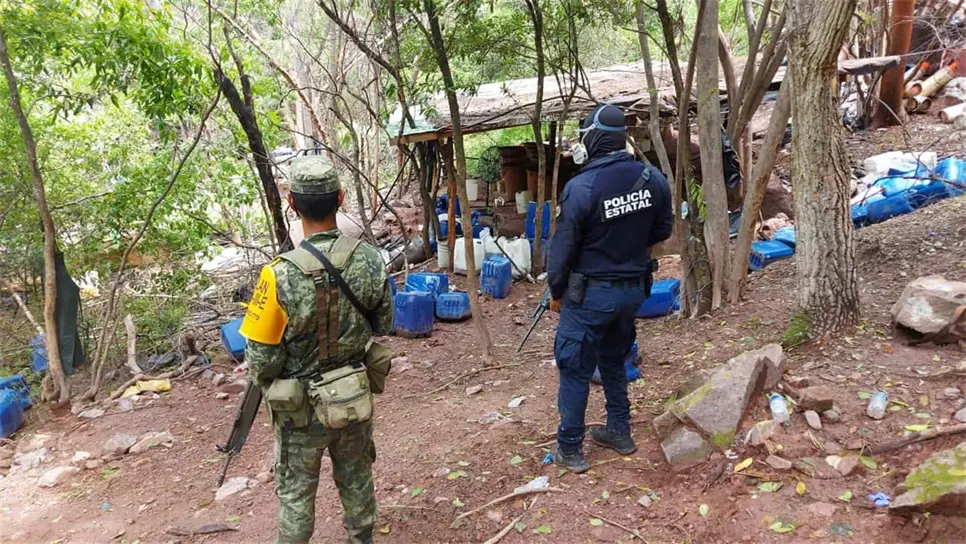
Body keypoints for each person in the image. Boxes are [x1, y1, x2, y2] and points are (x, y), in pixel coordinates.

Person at [239, 155, 393, 544]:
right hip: (353, 397)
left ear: (292, 204)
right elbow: (384, 324)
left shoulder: (277, 274)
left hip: (300, 412)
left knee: (295, 494)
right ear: (340, 198)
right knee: (357, 476)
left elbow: (261, 362)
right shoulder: (371, 260)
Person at [547, 104, 673, 473]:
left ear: (596, 137)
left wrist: (557, 292)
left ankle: (570, 447)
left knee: (574, 365)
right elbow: (661, 232)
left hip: (590, 296)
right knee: (613, 358)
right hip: (633, 292)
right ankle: (620, 430)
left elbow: (562, 250)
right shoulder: (654, 180)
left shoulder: (581, 187)